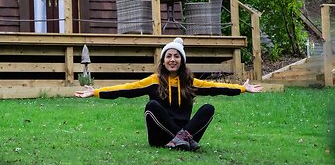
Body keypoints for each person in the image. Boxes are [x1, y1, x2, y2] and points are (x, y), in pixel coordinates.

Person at [74, 37, 263, 151]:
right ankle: (181, 138)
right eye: (169, 56)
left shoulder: (189, 82)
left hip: (188, 133)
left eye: (176, 56)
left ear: (182, 60)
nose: (172, 60)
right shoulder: (154, 80)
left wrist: (242, 88)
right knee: (152, 107)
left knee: (208, 108)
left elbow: (215, 87)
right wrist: (96, 92)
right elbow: (127, 89)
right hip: (160, 138)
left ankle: (183, 138)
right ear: (163, 60)